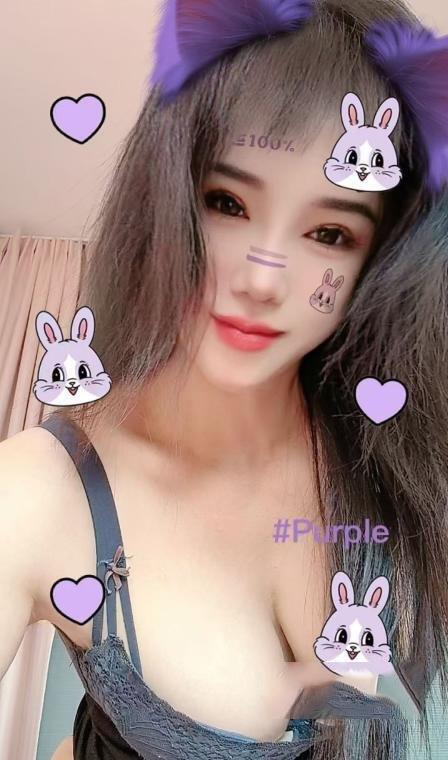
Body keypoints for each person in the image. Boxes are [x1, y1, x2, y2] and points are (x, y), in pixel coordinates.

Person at [1, 0, 447, 758]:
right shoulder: (36, 494)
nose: (262, 279)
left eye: (329, 232)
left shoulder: (387, 449)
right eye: (227, 203)